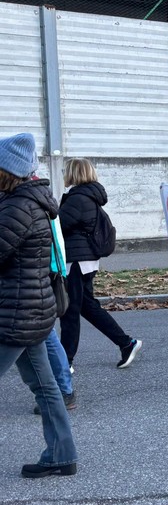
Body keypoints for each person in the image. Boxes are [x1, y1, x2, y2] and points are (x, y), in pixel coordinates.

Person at [0, 132, 78, 478]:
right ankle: (62, 454)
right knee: (46, 388)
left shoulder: (18, 206)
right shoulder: (28, 201)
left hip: (15, 313)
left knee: (45, 388)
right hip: (31, 308)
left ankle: (62, 453)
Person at [59, 158, 142, 369]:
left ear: (74, 174)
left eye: (65, 171)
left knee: (70, 312)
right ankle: (126, 343)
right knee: (86, 307)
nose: (63, 174)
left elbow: (59, 225)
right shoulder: (88, 195)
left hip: (76, 260)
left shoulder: (78, 198)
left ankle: (65, 362)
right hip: (84, 259)